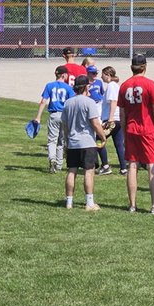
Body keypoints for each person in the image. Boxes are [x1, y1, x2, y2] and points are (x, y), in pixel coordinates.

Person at [118, 54, 154, 214]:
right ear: (144, 66)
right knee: (152, 166)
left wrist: (124, 132)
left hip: (131, 129)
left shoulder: (124, 86)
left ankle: (132, 205)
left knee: (132, 165)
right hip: (148, 129)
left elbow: (122, 113)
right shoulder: (150, 84)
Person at [60, 74, 106, 210]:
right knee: (89, 171)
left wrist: (67, 140)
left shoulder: (68, 102)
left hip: (73, 141)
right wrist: (103, 137)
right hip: (87, 142)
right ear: (87, 86)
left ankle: (69, 201)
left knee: (71, 171)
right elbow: (95, 123)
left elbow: (65, 124)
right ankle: (89, 202)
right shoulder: (89, 102)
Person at [33, 65, 75, 173]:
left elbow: (43, 101)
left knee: (52, 140)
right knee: (61, 141)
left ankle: (52, 158)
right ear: (63, 75)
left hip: (54, 114)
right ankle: (59, 166)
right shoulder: (68, 88)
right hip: (65, 115)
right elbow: (72, 103)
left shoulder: (49, 86)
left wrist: (38, 117)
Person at [84, 64, 113, 176]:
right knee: (91, 138)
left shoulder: (99, 83)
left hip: (98, 108)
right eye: (93, 73)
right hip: (89, 108)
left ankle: (104, 164)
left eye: (96, 73)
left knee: (98, 137)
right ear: (88, 73)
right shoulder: (85, 82)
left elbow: (101, 94)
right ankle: (96, 163)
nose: (95, 75)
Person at [101, 66, 126, 175]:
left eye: (102, 74)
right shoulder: (115, 86)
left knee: (98, 140)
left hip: (112, 119)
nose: (101, 77)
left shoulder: (111, 86)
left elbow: (113, 102)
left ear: (108, 74)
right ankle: (123, 167)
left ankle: (105, 166)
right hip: (118, 119)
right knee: (119, 144)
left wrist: (110, 119)